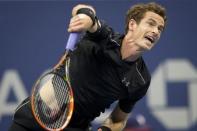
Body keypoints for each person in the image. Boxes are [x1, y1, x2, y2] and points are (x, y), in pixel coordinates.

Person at [9, 2, 166, 131]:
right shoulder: (105, 38)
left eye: (160, 29)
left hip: (77, 127)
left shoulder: (141, 80)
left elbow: (118, 120)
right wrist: (84, 16)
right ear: (132, 24)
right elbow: (85, 12)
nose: (155, 31)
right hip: (34, 118)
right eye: (151, 24)